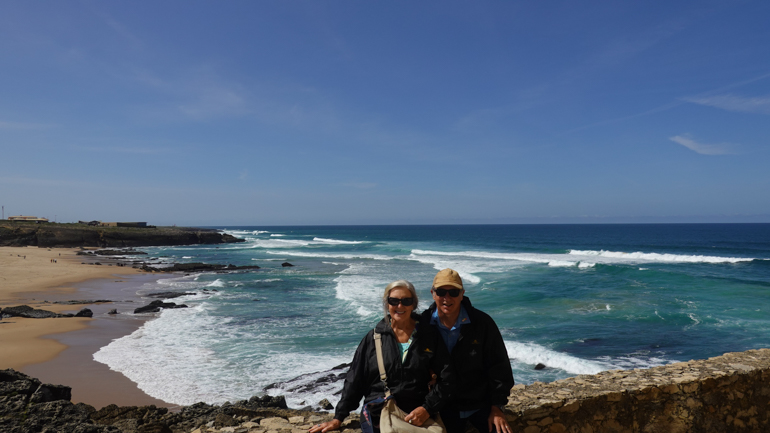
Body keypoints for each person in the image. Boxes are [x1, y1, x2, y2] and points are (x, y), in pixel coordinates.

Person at [310, 280, 454, 433]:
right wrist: (338, 418)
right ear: (387, 304)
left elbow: (448, 378)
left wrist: (427, 409)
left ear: (413, 304)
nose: (400, 306)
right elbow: (355, 379)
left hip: (417, 416)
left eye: (406, 301)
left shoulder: (429, 336)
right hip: (380, 414)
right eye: (394, 301)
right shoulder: (374, 338)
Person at [420, 269, 514, 433]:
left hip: (479, 405)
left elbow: (499, 366)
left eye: (453, 292)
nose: (447, 298)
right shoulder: (423, 325)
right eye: (441, 292)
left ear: (462, 294)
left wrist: (497, 406)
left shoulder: (482, 323)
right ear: (433, 293)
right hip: (441, 406)